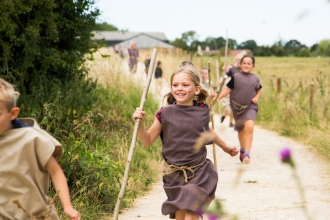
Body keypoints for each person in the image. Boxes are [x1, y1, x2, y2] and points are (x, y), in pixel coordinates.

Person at [133, 66, 238, 220]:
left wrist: (225, 147)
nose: (179, 89)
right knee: (181, 217)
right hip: (174, 175)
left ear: (196, 89)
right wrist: (140, 124)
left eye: (185, 85)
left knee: (191, 216)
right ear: (170, 88)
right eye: (175, 85)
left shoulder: (202, 110)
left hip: (200, 172)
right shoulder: (165, 113)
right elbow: (147, 140)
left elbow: (206, 130)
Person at [0, 78, 81, 220]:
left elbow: (55, 172)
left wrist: (67, 207)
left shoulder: (32, 138)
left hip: (36, 216)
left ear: (13, 113)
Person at [216, 55, 262, 164]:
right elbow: (227, 90)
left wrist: (256, 97)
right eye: (244, 63)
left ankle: (247, 154)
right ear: (240, 64)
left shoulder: (255, 78)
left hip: (250, 106)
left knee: (249, 127)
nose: (246, 65)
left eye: (249, 63)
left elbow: (259, 90)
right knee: (241, 131)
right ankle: (242, 149)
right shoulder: (236, 77)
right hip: (237, 108)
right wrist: (217, 98)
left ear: (253, 66)